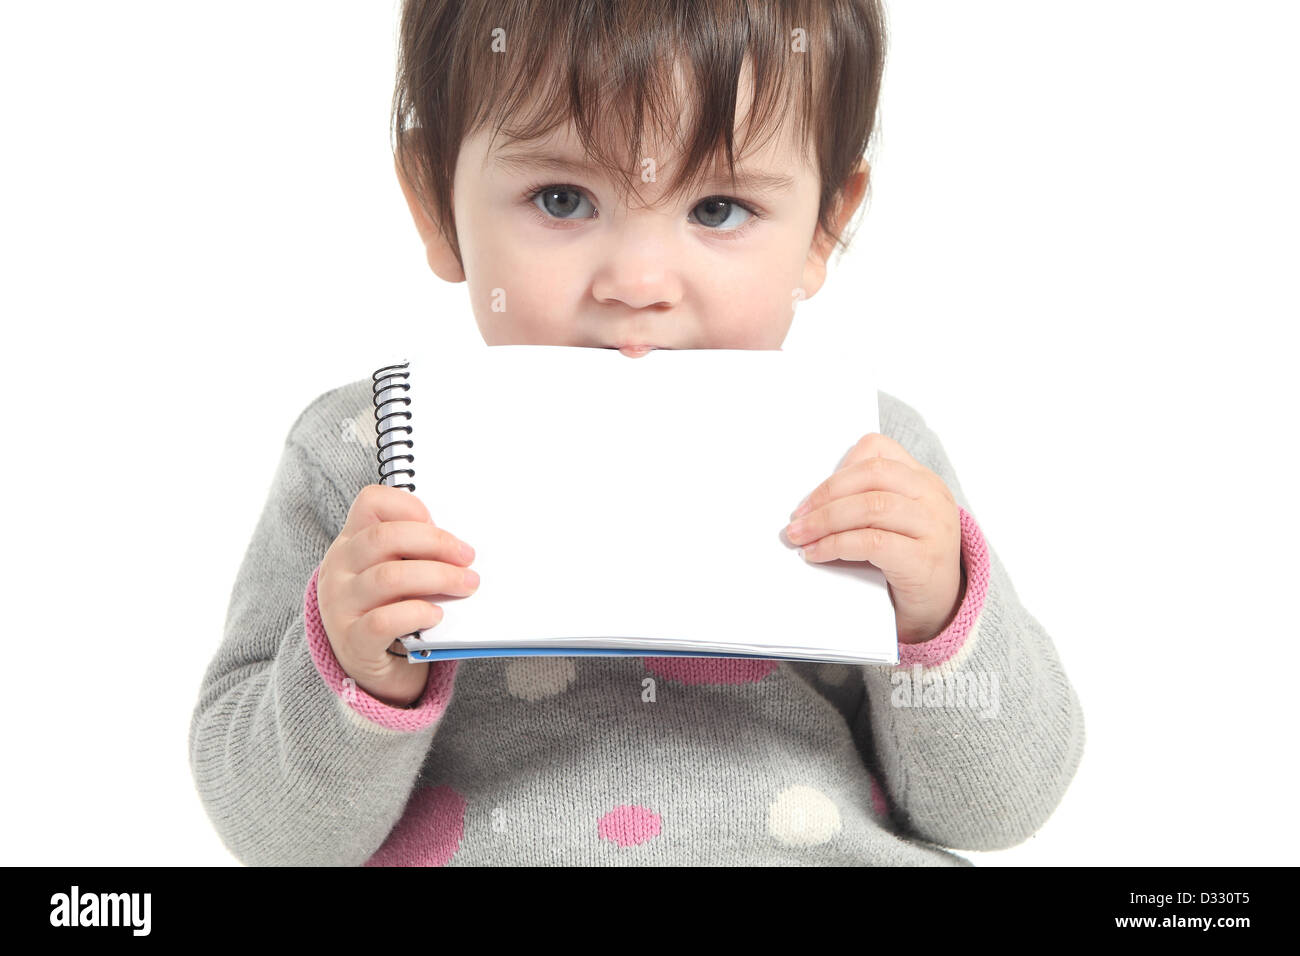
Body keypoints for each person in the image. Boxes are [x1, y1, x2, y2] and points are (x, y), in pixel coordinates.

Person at [189, 0, 1084, 865]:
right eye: (562, 199)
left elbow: (1001, 808)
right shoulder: (369, 449)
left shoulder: (870, 457)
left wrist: (939, 612)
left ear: (825, 229)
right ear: (435, 198)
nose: (639, 282)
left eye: (718, 210)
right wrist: (356, 669)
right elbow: (275, 838)